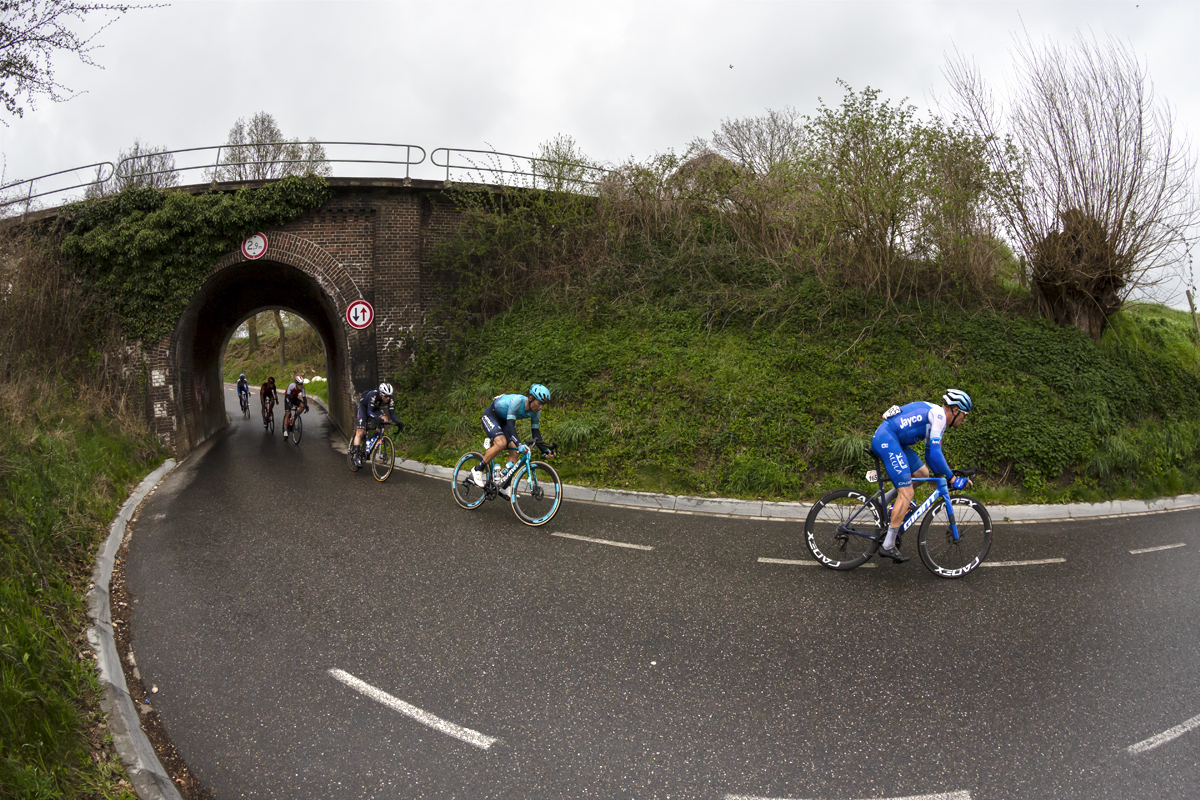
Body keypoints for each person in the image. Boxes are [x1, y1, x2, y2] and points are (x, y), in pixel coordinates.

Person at [870, 389, 973, 563]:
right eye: (964, 415)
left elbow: (929, 455)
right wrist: (953, 479)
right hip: (888, 438)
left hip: (894, 439)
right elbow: (936, 455)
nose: (964, 419)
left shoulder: (936, 417)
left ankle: (883, 502)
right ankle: (887, 545)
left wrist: (943, 477)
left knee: (922, 473)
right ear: (955, 410)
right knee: (907, 492)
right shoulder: (939, 417)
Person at [471, 384, 551, 492]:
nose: (541, 407)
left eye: (543, 405)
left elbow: (535, 432)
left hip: (504, 421)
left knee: (515, 452)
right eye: (539, 403)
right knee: (501, 443)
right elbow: (510, 426)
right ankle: (478, 469)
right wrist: (519, 444)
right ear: (531, 398)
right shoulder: (517, 401)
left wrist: (545, 450)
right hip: (491, 416)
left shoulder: (536, 412)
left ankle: (504, 486)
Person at [350, 382, 398, 461]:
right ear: (380, 393)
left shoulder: (390, 398)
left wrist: (397, 422)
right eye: (385, 396)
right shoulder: (374, 394)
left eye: (389, 396)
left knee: (385, 420)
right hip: (365, 408)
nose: (388, 398)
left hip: (375, 408)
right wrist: (376, 418)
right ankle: (357, 456)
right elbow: (369, 411)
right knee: (360, 432)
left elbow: (392, 413)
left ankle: (374, 437)